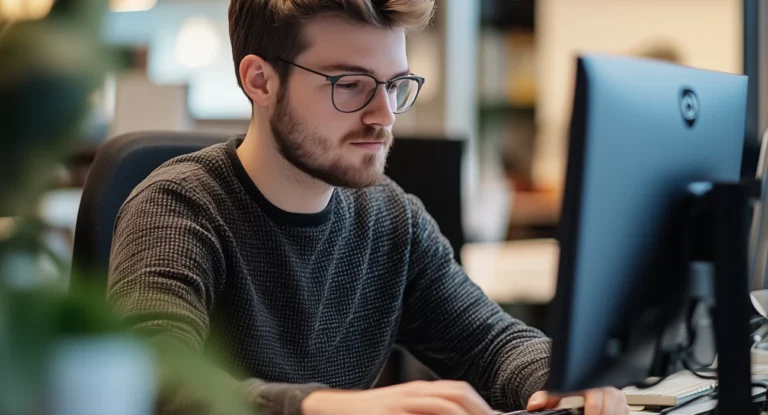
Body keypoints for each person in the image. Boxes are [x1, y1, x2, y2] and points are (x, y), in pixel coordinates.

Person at [107, 1, 629, 414]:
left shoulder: (392, 219)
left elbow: (493, 343)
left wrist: (560, 380)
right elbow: (149, 379)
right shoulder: (179, 207)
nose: (384, 116)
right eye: (350, 85)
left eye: (395, 85)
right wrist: (326, 407)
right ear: (259, 80)